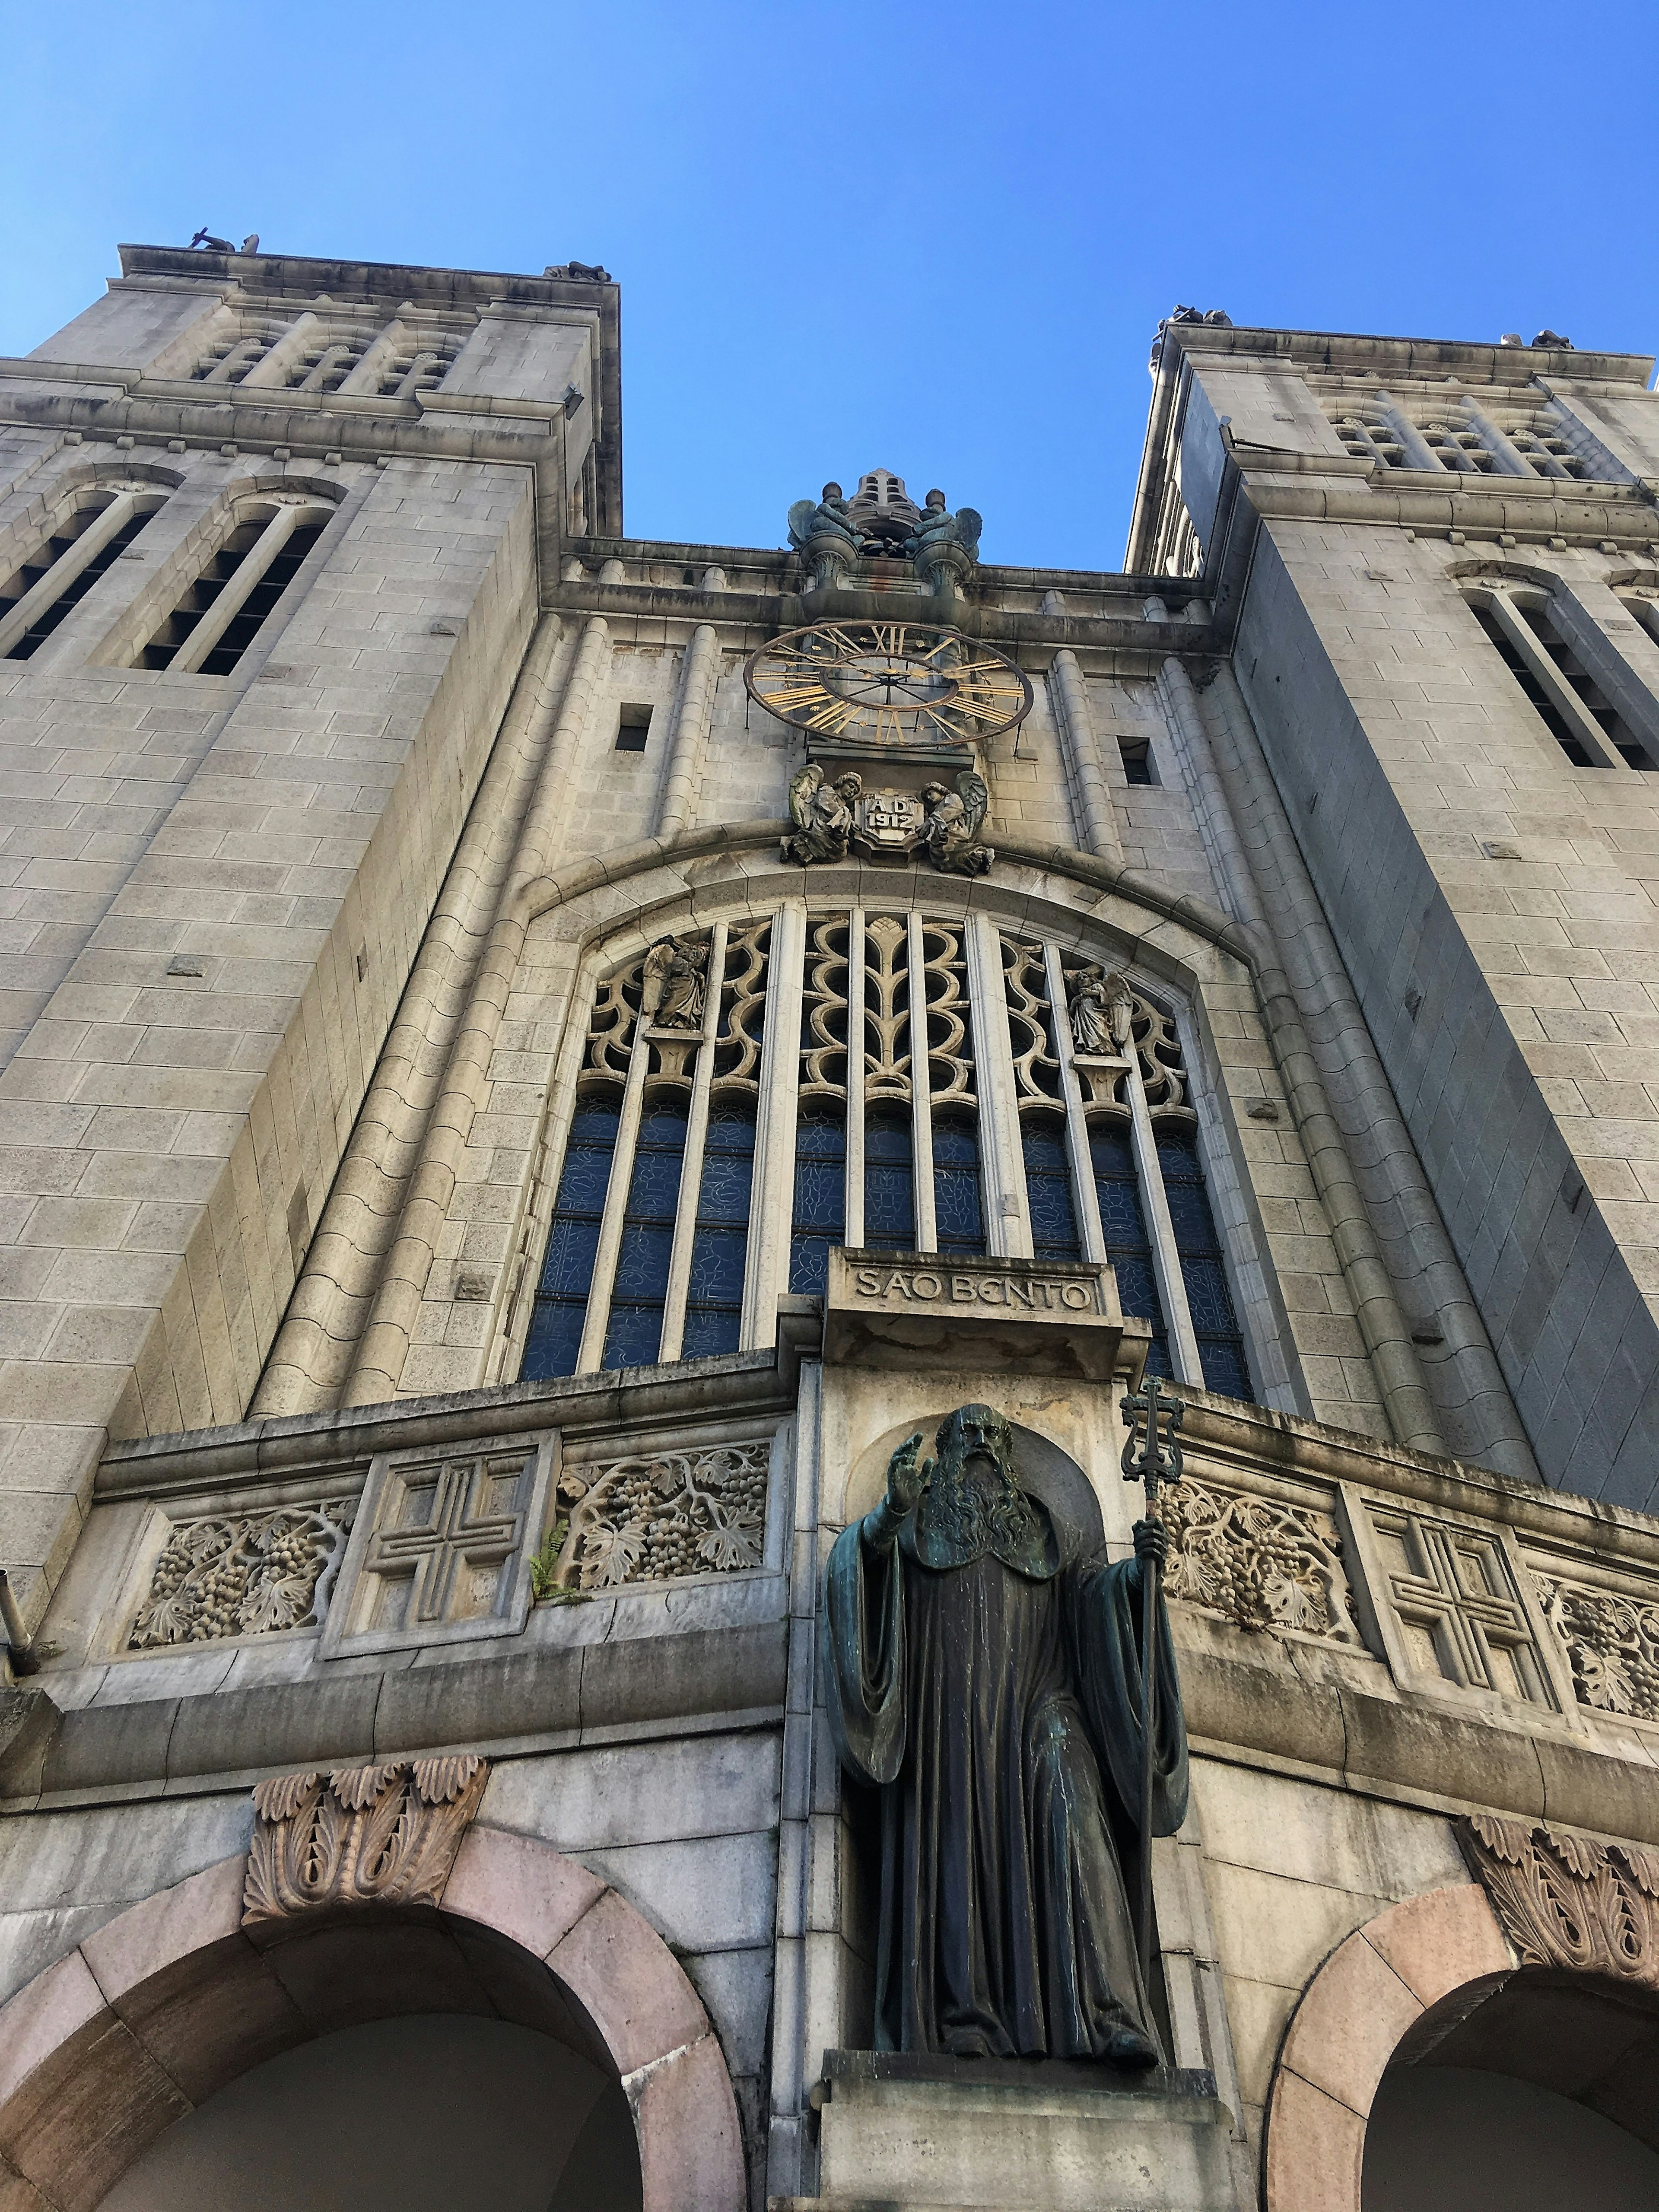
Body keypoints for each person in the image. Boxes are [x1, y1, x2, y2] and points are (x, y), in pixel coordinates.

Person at [824, 1404, 1187, 2063]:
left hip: (1044, 1711)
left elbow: (1090, 1599)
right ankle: (966, 2019)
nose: (982, 1447)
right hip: (946, 1725)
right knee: (956, 1848)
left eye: (993, 1438)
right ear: (946, 1457)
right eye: (968, 1439)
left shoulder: (1045, 1531)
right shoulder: (914, 1525)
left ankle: (1108, 2016)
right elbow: (859, 1576)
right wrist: (884, 1519)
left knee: (1077, 1812)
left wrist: (1136, 1581)